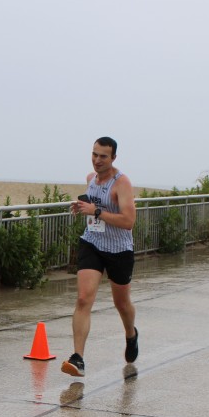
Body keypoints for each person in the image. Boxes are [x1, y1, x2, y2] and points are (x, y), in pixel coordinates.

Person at [62, 136, 138, 377]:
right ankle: (78, 358)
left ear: (113, 157)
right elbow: (92, 209)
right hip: (92, 243)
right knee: (83, 298)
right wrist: (81, 208)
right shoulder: (90, 180)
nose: (97, 160)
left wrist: (96, 211)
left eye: (103, 156)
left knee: (121, 303)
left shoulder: (121, 183)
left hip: (119, 250)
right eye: (94, 154)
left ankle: (131, 334)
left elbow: (128, 221)